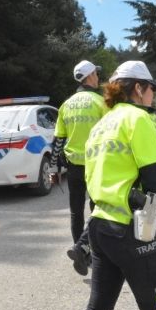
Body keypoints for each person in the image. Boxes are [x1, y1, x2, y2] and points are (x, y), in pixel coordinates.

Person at [79, 61, 156, 310]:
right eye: (151, 88)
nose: (153, 94)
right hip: (132, 229)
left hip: (100, 226)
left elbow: (93, 177)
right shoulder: (139, 118)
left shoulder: (102, 124)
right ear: (138, 88)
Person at [53, 60, 109, 277]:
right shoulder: (101, 102)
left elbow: (59, 139)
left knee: (76, 212)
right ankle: (92, 251)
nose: (98, 77)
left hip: (74, 166)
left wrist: (54, 166)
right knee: (98, 211)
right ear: (90, 76)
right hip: (97, 165)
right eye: (96, 73)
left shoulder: (66, 104)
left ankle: (80, 251)